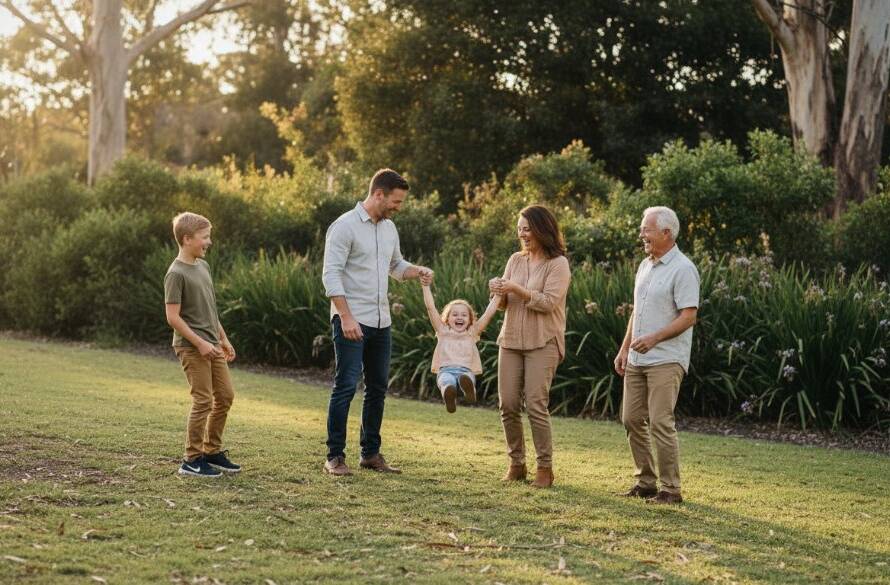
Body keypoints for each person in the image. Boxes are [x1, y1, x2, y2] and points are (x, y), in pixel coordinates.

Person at [321, 169, 432, 476]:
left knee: (378, 388)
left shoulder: (389, 228)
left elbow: (396, 266)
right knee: (346, 386)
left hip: (382, 322)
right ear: (379, 194)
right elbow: (330, 275)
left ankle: (370, 454)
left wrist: (417, 271)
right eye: (396, 201)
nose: (399, 207)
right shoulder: (344, 226)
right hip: (351, 321)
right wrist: (345, 317)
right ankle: (334, 457)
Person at [613, 206, 700, 505]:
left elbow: (689, 317)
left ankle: (671, 490)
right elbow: (637, 311)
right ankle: (646, 482)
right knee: (631, 418)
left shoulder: (684, 269)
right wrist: (625, 348)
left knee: (661, 422)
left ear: (666, 233)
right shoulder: (644, 266)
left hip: (666, 358)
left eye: (646, 229)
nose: (641, 234)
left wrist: (654, 338)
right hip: (637, 359)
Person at [489, 205, 571, 488]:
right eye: (519, 229)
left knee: (536, 404)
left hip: (543, 341)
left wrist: (515, 289)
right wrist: (498, 291)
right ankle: (516, 464)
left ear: (542, 230)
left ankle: (545, 468)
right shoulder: (515, 260)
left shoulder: (558, 264)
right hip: (511, 339)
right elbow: (503, 304)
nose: (522, 234)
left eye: (527, 229)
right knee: (508, 404)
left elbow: (548, 302)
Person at [164, 212, 240, 478]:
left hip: (212, 344)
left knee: (225, 396)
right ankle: (191, 459)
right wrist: (200, 343)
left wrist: (222, 338)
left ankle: (211, 451)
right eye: (204, 237)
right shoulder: (176, 274)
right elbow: (173, 317)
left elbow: (209, 309)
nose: (209, 242)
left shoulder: (203, 267)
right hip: (191, 346)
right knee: (203, 400)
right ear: (187, 239)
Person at [419, 271, 501, 413]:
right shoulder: (442, 330)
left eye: (464, 315)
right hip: (446, 371)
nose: (459, 317)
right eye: (455, 314)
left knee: (466, 378)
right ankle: (449, 395)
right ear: (447, 318)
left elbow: (488, 313)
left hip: (465, 371)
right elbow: (431, 308)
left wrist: (499, 294)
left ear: (470, 319)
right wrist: (425, 286)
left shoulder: (472, 332)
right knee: (446, 382)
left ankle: (469, 391)